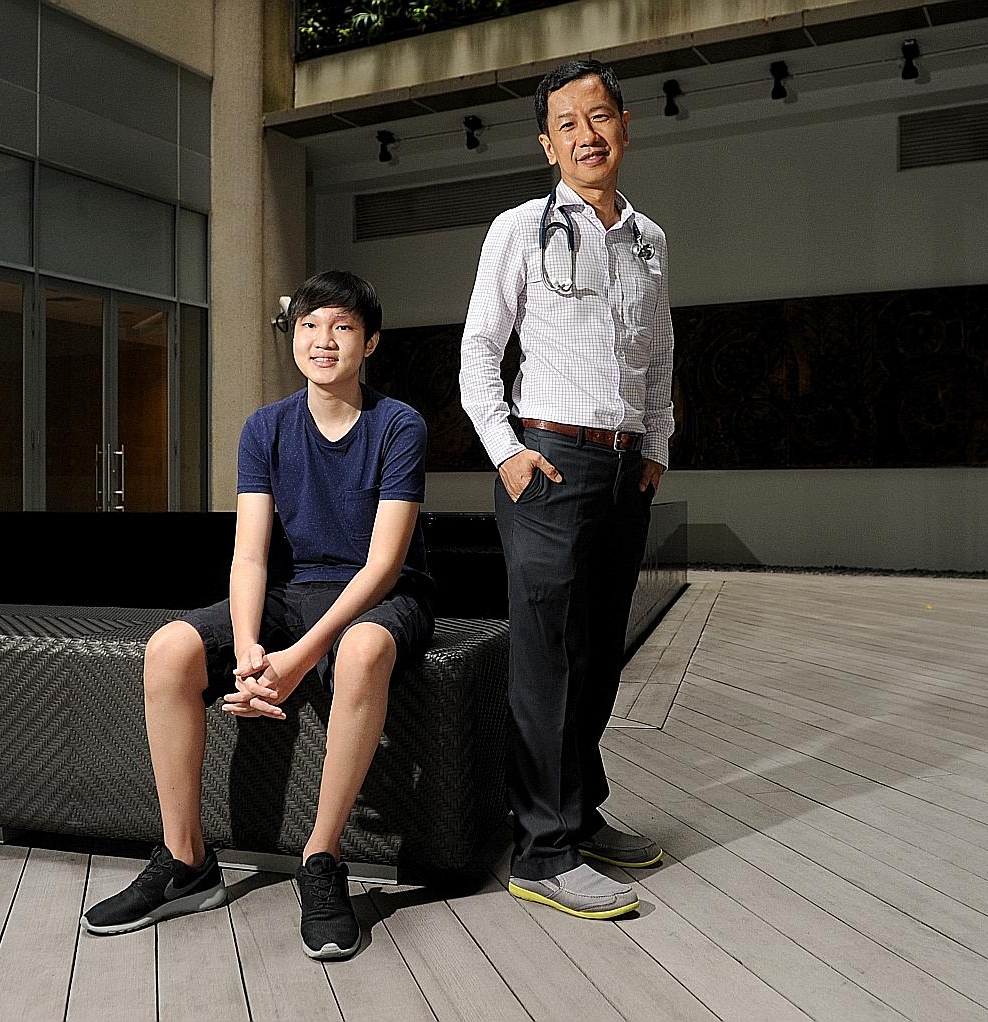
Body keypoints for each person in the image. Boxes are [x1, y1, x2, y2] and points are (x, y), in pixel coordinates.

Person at [83, 270, 434, 960]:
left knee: (362, 650)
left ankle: (321, 860)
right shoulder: (266, 427)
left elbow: (382, 567)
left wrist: (299, 657)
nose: (323, 340)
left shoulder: (399, 425)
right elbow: (249, 556)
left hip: (383, 595)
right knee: (169, 648)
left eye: (342, 327)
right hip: (293, 589)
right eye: (309, 325)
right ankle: (186, 860)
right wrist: (247, 648)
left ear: (369, 343)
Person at [459, 58, 674, 919]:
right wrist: (507, 453)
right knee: (546, 658)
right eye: (568, 124)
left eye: (600, 117)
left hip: (623, 468)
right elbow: (479, 352)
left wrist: (655, 445)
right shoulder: (519, 229)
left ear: (624, 125)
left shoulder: (650, 239)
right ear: (548, 145)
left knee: (597, 653)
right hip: (547, 464)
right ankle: (541, 851)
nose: (588, 135)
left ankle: (579, 818)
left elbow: (659, 351)